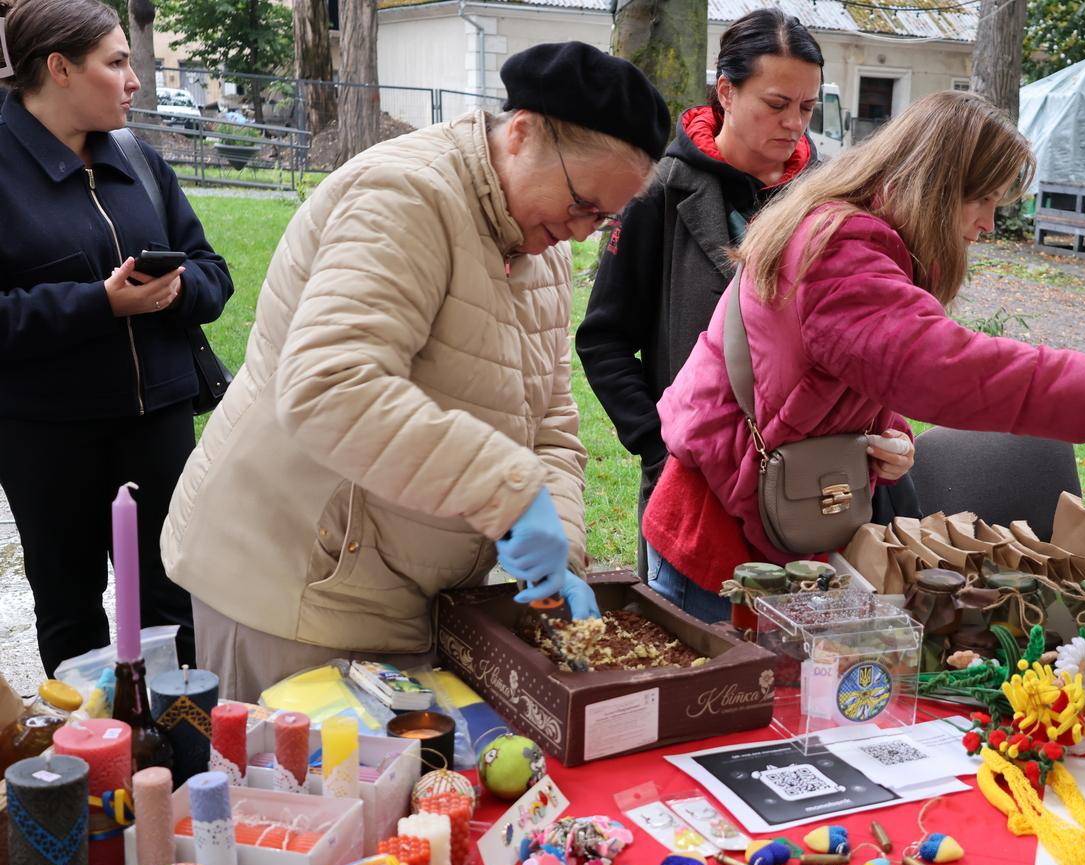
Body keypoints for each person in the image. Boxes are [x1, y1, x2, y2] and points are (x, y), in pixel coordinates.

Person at [161, 42, 668, 700]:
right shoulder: (405, 196)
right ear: (521, 134)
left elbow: (549, 422)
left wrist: (560, 548)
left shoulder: (537, 245)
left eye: (603, 218)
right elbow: (330, 388)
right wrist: (511, 492)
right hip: (296, 589)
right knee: (301, 795)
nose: (580, 232)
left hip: (402, 593)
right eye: (580, 203)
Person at [644, 90, 1085, 620]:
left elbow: (851, 368)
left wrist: (891, 437)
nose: (988, 224)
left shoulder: (846, 231)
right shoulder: (840, 250)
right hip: (718, 550)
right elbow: (942, 367)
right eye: (983, 200)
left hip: (753, 528)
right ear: (937, 186)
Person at [0, 0, 233, 676]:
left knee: (175, 605)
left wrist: (176, 290)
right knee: (71, 613)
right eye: (118, 62)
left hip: (156, 421)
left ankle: (176, 754)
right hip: (47, 435)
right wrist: (99, 304)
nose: (135, 80)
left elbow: (212, 273)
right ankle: (96, 766)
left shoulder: (139, 160)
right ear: (60, 68)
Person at [576, 9, 826, 579]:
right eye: (776, 104)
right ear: (726, 92)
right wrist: (659, 444)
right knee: (697, 655)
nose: (794, 124)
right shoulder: (658, 192)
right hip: (693, 490)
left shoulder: (828, 199)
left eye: (806, 108)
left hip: (810, 488)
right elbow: (604, 339)